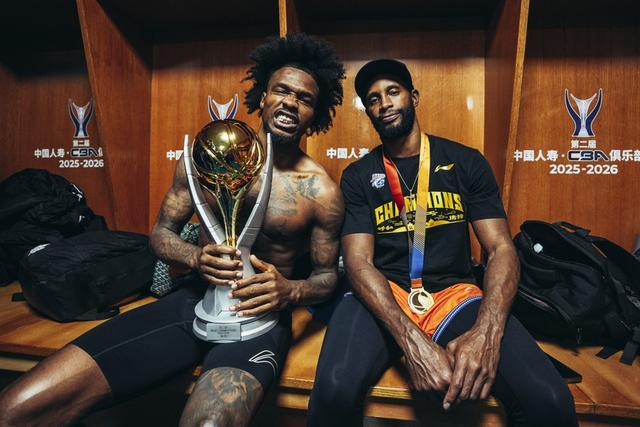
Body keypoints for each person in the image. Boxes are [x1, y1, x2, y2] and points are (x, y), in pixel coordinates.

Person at [0, 33, 345, 427]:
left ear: (315, 114)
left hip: (260, 316)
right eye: (281, 90)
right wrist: (195, 256)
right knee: (16, 408)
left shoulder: (321, 192)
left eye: (305, 98)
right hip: (191, 300)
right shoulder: (204, 158)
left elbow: (325, 277)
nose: (291, 102)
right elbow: (161, 234)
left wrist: (289, 290)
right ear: (263, 96)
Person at [307, 59, 577, 426]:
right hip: (385, 293)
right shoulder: (358, 175)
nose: (384, 103)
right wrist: (412, 343)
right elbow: (358, 263)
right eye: (373, 99)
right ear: (368, 111)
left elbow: (500, 249)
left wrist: (487, 331)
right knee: (333, 391)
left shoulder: (465, 162)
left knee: (549, 401)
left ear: (414, 97)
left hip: (454, 295)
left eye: (393, 92)